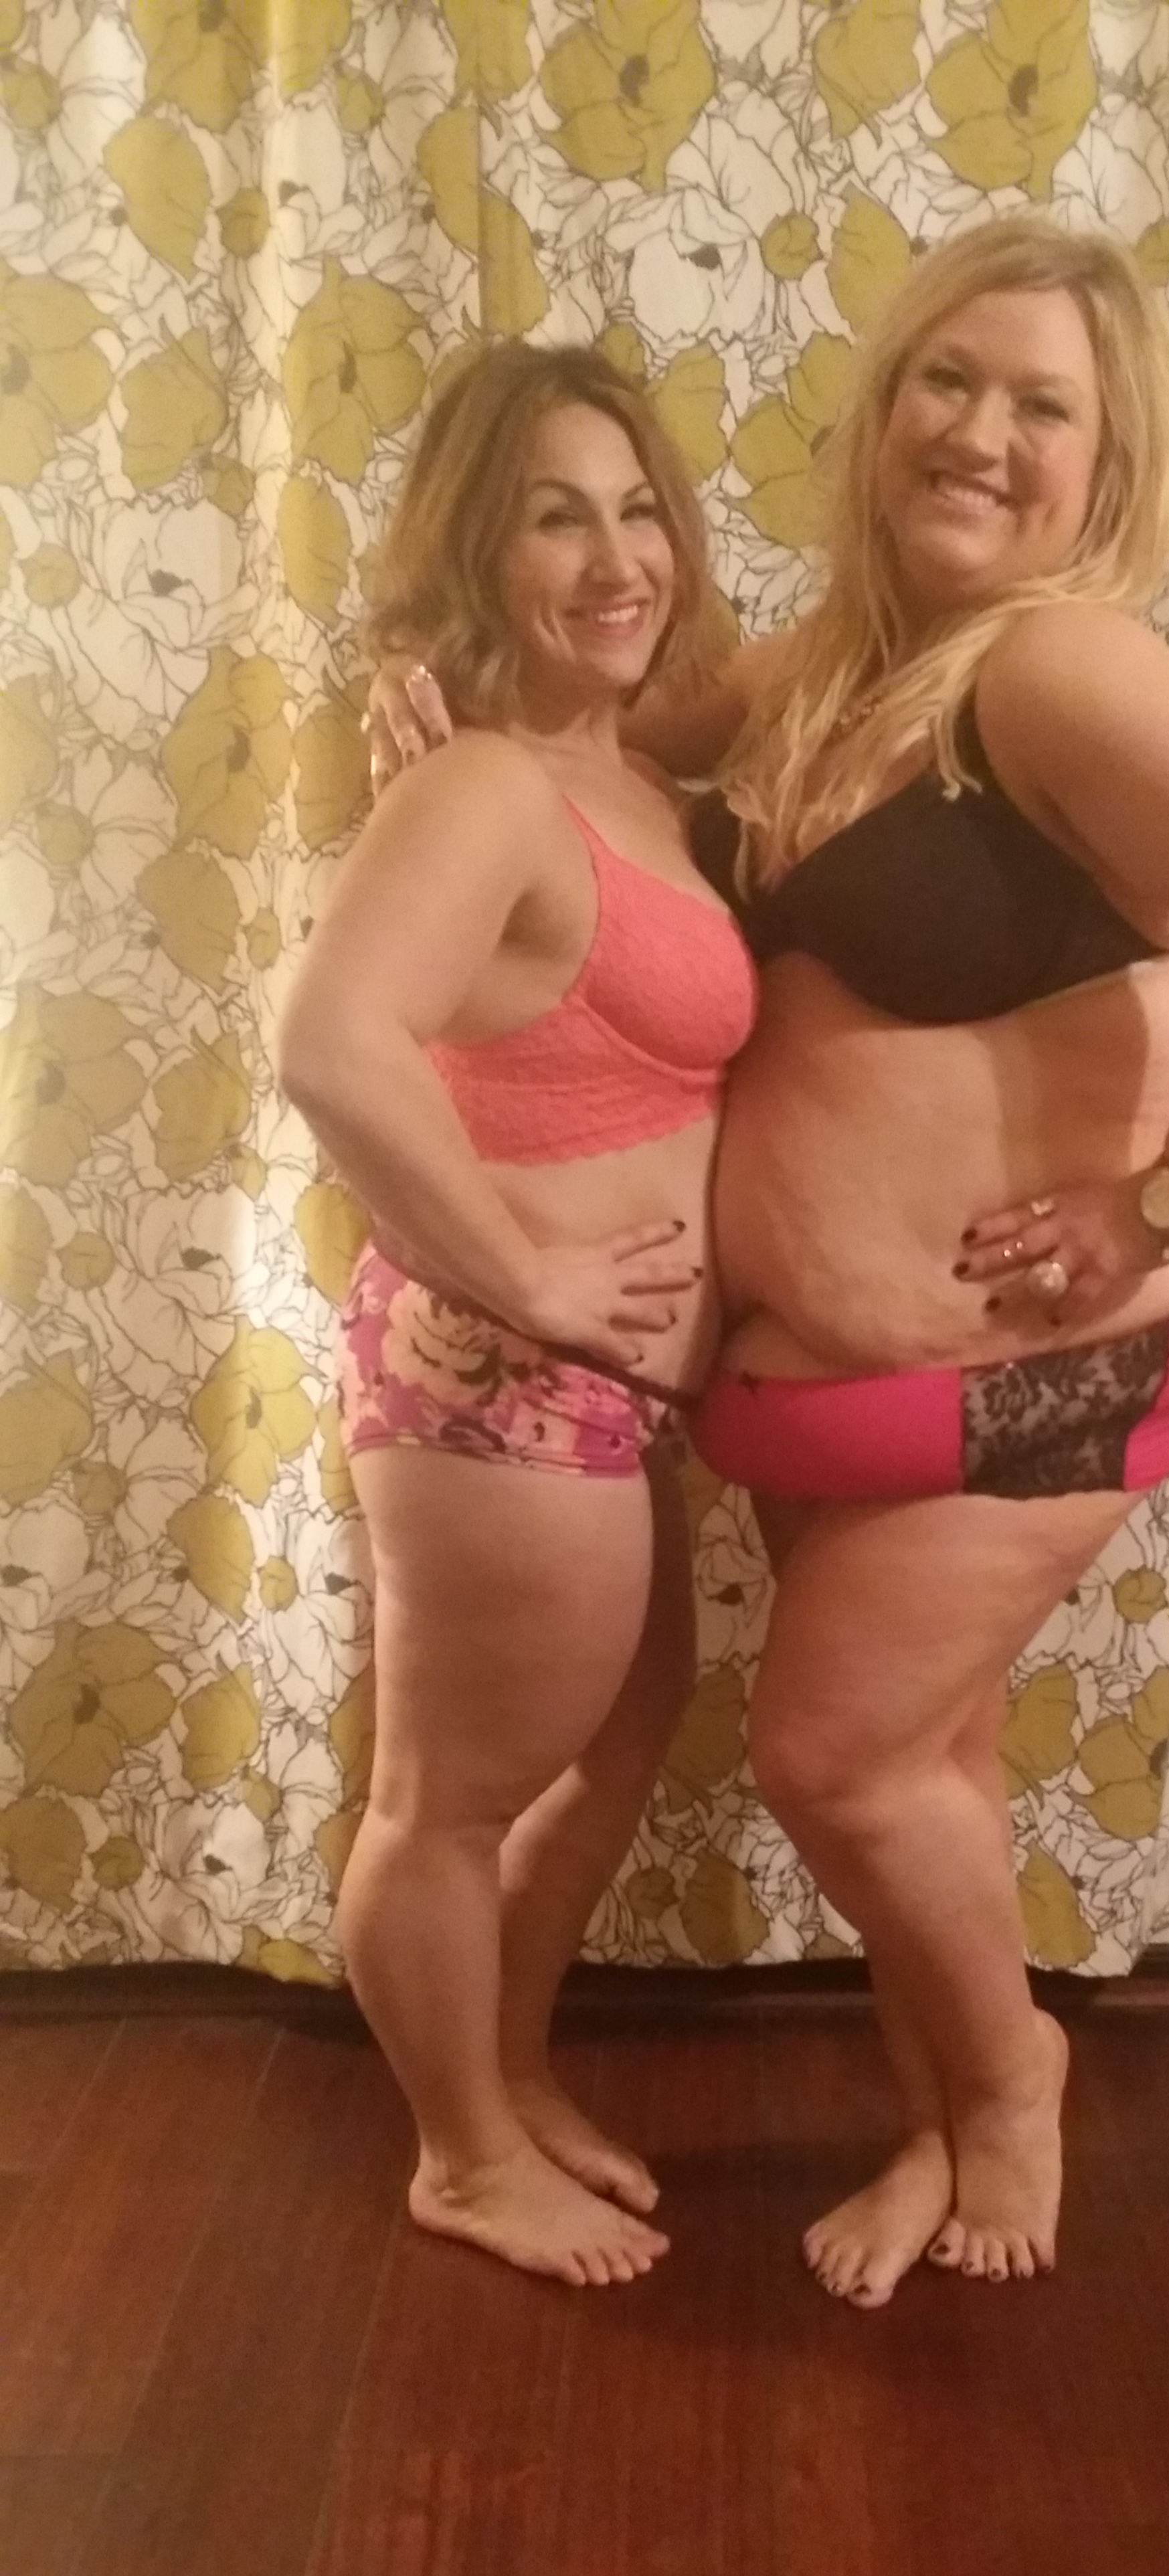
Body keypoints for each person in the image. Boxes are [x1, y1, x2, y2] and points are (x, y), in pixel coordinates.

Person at [367, 214, 1169, 2306]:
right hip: (832, 1391)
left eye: (1043, 408)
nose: (982, 433)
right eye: (950, 378)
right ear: (887, 397)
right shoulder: (827, 664)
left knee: (832, 1756)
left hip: (1040, 1368)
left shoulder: (1048, 665)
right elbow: (620, 725)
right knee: (928, 1769)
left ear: (1107, 468)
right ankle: (931, 2128)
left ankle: (1010, 2086)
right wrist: (444, 718)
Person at [278, 341, 756, 2285]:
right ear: (479, 550)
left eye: (639, 509)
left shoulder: (629, 778)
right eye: (558, 518)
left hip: (599, 1396)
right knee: (447, 1801)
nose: (617, 556)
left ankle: (512, 2070)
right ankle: (463, 2156)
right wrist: (539, 1274)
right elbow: (330, 1042)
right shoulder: (484, 782)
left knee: (619, 1741)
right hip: (501, 1376)